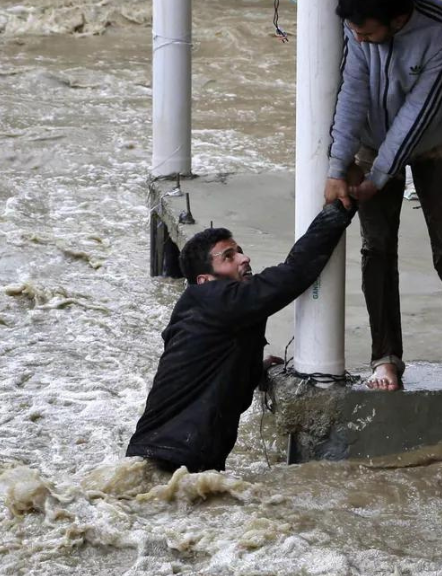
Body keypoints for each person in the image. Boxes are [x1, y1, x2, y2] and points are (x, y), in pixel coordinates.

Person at [325, 0, 442, 399]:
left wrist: (379, 177)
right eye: (353, 31)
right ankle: (386, 356)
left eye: (366, 33)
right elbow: (351, 93)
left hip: (434, 138)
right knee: (377, 248)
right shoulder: (358, 25)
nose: (357, 37)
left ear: (398, 20)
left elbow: (419, 114)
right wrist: (337, 166)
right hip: (371, 138)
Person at [127, 202, 355, 473]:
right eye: (228, 256)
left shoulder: (205, 309)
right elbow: (294, 273)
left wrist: (254, 371)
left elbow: (205, 374)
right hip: (175, 459)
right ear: (205, 280)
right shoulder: (220, 299)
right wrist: (340, 208)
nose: (243, 259)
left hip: (165, 459)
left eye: (240, 251)